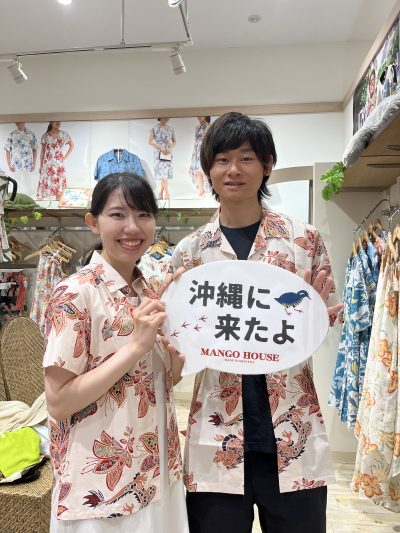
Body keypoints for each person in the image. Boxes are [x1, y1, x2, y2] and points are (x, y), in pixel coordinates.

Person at [169, 112, 343, 533]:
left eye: (246, 158)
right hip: (217, 436)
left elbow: (327, 318)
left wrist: (311, 318)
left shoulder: (304, 241)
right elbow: (178, 344)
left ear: (267, 166)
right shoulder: (190, 254)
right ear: (208, 169)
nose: (234, 170)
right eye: (222, 159)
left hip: (293, 431)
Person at [43, 173, 188, 532]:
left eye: (143, 214)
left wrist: (173, 367)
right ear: (93, 222)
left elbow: (148, 387)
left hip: (157, 471)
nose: (132, 227)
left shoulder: (149, 290)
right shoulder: (76, 293)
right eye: (118, 214)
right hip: (101, 485)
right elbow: (58, 402)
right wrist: (135, 347)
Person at [38, 121, 74, 200]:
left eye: (59, 121)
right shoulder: (45, 136)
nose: (58, 123)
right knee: (47, 184)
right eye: (56, 122)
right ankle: (47, 204)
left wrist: (65, 157)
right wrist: (41, 165)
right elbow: (42, 151)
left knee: (59, 185)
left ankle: (58, 203)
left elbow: (72, 145)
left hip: (58, 164)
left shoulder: (64, 134)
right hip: (47, 164)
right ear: (51, 123)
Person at [4, 122, 38, 198]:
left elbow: (34, 149)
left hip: (27, 164)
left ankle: (28, 198)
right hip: (15, 165)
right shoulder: (12, 134)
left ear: (24, 121)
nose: (17, 123)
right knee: (16, 184)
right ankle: (16, 198)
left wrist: (34, 164)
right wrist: (9, 164)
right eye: (16, 122)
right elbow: (7, 150)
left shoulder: (30, 134)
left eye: (19, 121)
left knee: (28, 183)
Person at [148, 117, 176, 200]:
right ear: (159, 117)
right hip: (159, 153)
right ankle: (167, 193)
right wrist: (160, 147)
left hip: (168, 153)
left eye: (167, 117)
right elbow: (149, 141)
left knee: (165, 173)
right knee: (163, 173)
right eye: (164, 116)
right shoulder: (153, 128)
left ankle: (160, 193)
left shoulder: (171, 128)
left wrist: (170, 148)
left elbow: (174, 141)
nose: (166, 118)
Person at [189, 116, 211, 198]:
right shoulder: (197, 127)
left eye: (201, 115)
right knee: (197, 171)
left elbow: (211, 140)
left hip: (205, 150)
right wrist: (194, 153)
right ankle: (201, 191)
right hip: (196, 151)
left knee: (204, 170)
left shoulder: (209, 126)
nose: (199, 117)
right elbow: (196, 141)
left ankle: (209, 190)